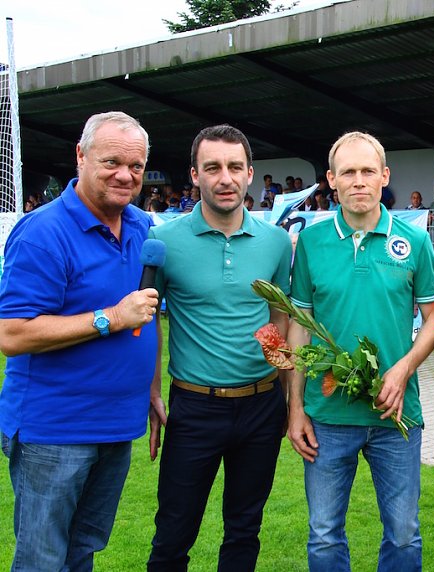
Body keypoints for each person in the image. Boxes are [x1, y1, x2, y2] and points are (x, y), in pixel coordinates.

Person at [0, 111, 160, 571]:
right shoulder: (43, 233)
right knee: (43, 558)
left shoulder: (141, 227)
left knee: (82, 551)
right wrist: (110, 317)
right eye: (112, 162)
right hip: (54, 431)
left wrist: (149, 389)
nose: (125, 175)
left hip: (117, 425)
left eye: (136, 166)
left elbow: (146, 318)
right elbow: (12, 333)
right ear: (81, 156)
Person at [286, 131, 434, 572]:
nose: (359, 181)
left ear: (384, 176)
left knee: (404, 533)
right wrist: (295, 407)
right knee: (323, 533)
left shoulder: (414, 241)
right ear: (331, 180)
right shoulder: (313, 244)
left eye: (368, 171)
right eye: (348, 172)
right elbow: (299, 327)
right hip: (326, 418)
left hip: (395, 416)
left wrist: (403, 369)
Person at [147, 125, 293, 570]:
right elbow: (148, 319)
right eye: (212, 167)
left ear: (250, 174)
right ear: (195, 174)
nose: (224, 178)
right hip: (193, 408)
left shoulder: (275, 242)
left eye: (234, 167)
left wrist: (288, 397)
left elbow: (279, 319)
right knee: (173, 532)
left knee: (244, 530)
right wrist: (151, 391)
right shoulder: (165, 242)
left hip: (261, 406)